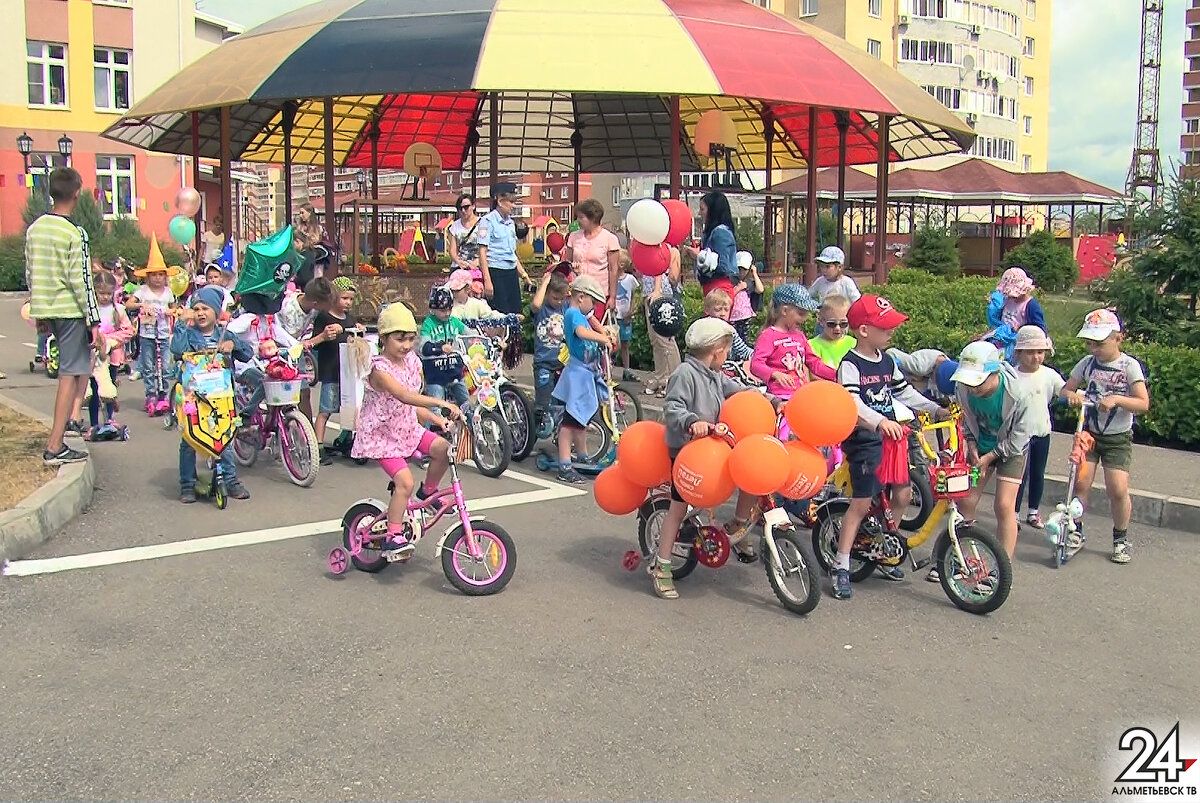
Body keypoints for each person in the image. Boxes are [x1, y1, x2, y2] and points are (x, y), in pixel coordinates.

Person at [651, 317, 778, 599]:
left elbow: (741, 392)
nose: (728, 354)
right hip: (688, 452)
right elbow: (672, 407)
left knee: (749, 471)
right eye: (727, 349)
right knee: (677, 508)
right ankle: (661, 566)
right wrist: (692, 421)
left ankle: (737, 524)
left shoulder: (715, 375)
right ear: (717, 350)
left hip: (714, 447)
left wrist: (767, 399)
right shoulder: (685, 373)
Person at [831, 294, 944, 600]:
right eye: (885, 326)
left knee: (904, 494)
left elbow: (904, 392)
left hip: (892, 438)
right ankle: (841, 564)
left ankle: (882, 545)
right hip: (866, 439)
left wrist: (935, 410)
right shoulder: (851, 365)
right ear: (864, 330)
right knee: (861, 504)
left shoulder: (888, 361)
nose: (891, 331)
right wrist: (879, 422)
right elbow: (852, 403)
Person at [350, 303, 461, 559]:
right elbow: (404, 396)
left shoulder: (411, 361)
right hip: (382, 436)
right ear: (384, 338)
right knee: (404, 482)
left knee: (444, 450)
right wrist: (441, 403)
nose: (406, 345)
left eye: (411, 338)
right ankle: (393, 535)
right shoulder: (379, 370)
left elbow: (414, 403)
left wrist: (436, 419)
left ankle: (429, 492)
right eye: (400, 339)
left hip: (406, 427)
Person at [1059, 309, 1150, 564]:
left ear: (1118, 339)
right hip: (1088, 435)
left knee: (1118, 489)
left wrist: (1118, 399)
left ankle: (1120, 538)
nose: (1094, 349)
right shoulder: (1087, 364)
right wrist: (1073, 396)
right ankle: (1075, 530)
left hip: (1117, 438)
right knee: (1081, 484)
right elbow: (1066, 390)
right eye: (1090, 343)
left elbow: (1143, 403)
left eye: (1099, 343)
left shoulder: (1128, 366)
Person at [24, 168, 101, 463]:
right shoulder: (74, 233)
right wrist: (93, 320)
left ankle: (56, 440)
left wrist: (38, 308)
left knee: (66, 371)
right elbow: (80, 280)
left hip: (47, 307)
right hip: (70, 310)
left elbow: (32, 271)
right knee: (70, 374)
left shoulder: (35, 229)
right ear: (77, 194)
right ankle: (55, 444)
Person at [949, 341, 1036, 562]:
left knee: (1004, 505)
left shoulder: (1018, 394)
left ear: (994, 372)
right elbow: (966, 420)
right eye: (968, 382)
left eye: (977, 382)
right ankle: (966, 558)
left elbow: (1018, 439)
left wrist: (990, 457)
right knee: (966, 500)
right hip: (980, 444)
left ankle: (1002, 564)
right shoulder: (963, 389)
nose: (972, 388)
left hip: (1010, 449)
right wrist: (971, 445)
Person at [170, 286, 253, 504]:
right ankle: (187, 483)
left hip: (222, 395)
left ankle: (230, 479)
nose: (200, 313)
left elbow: (247, 353)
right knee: (190, 439)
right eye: (196, 308)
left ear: (216, 311)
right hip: (194, 397)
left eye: (205, 308)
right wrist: (180, 323)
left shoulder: (224, 333)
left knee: (223, 437)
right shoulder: (188, 334)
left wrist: (233, 345)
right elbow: (177, 350)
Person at [551, 276, 617, 484]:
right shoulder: (572, 314)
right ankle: (564, 464)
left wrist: (605, 333)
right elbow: (581, 332)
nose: (594, 307)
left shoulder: (581, 314)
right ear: (581, 298)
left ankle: (582, 456)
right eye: (593, 302)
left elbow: (592, 326)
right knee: (569, 424)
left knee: (581, 420)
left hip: (586, 374)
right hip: (577, 375)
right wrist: (602, 338)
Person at [1009, 326, 1065, 529]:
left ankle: (1033, 511)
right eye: (1030, 352)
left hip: (1042, 431)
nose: (1036, 357)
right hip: (1018, 435)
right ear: (1019, 353)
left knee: (1037, 473)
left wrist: (1076, 396)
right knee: (1018, 476)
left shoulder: (1049, 375)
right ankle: (1012, 513)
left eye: (1040, 352)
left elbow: (1064, 391)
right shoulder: (1012, 376)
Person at [750, 283, 834, 399]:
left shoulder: (800, 336)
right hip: (779, 396)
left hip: (801, 395)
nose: (805, 319)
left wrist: (836, 374)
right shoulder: (769, 335)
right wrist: (774, 374)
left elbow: (814, 362)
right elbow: (756, 364)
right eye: (801, 313)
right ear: (784, 311)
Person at [126, 235, 179, 417]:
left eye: (160, 274)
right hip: (147, 334)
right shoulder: (142, 291)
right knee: (148, 366)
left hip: (163, 334)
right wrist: (142, 306)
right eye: (154, 275)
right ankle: (150, 394)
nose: (157, 278)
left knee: (164, 367)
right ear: (148, 276)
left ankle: (163, 394)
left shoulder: (168, 292)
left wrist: (171, 312)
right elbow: (129, 304)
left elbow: (174, 309)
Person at [312, 277, 357, 464]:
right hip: (331, 370)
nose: (347, 303)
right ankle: (318, 445)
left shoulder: (350, 319)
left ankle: (345, 439)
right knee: (325, 410)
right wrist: (326, 335)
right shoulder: (324, 317)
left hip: (348, 372)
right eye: (344, 298)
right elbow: (315, 342)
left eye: (351, 299)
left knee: (349, 408)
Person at [84, 271, 134, 439]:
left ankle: (110, 419)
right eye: (101, 293)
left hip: (111, 357)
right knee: (93, 389)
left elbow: (128, 331)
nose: (105, 297)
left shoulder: (118, 310)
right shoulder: (90, 311)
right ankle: (93, 423)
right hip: (93, 359)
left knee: (109, 388)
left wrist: (110, 341)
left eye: (108, 293)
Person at [280, 277, 335, 419]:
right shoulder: (289, 310)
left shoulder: (312, 308)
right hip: (281, 351)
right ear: (316, 303)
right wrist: (321, 337)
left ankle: (307, 433)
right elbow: (293, 345)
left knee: (305, 392)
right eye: (325, 306)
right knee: (286, 395)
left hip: (296, 352)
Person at [477, 184, 532, 315]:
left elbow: (511, 253)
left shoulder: (511, 224)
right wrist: (487, 280)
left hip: (511, 272)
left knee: (516, 313)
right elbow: (482, 253)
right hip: (496, 271)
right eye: (511, 202)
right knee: (500, 315)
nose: (513, 206)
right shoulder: (487, 221)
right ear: (500, 201)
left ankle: (514, 336)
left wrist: (524, 276)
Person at [419, 284, 469, 420]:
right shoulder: (428, 324)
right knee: (435, 409)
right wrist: (439, 347)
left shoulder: (455, 322)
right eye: (442, 310)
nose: (446, 313)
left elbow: (470, 336)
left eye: (449, 309)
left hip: (455, 372)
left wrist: (484, 341)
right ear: (433, 309)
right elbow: (423, 347)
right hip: (436, 375)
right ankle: (432, 434)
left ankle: (470, 431)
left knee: (467, 404)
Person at [564, 199, 621, 320]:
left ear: (593, 219)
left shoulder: (609, 238)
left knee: (595, 331)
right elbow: (566, 264)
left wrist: (612, 297)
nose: (578, 220)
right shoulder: (574, 236)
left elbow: (613, 270)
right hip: (576, 292)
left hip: (598, 293)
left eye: (581, 217)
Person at [642, 244, 682, 399]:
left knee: (665, 339)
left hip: (661, 295)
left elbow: (660, 269)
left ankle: (674, 379)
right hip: (649, 293)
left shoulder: (663, 247)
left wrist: (657, 290)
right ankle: (661, 377)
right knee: (655, 340)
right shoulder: (646, 245)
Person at [683, 191, 739, 302]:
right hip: (714, 287)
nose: (700, 213)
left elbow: (723, 266)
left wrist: (699, 256)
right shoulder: (713, 233)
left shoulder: (721, 233)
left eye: (702, 209)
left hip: (720, 288)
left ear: (713, 211)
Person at [531, 270, 569, 428]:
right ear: (547, 294)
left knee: (563, 402)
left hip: (562, 362)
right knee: (543, 400)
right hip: (544, 362)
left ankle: (561, 432)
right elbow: (535, 305)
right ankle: (532, 428)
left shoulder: (565, 307)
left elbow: (579, 300)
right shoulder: (542, 310)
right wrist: (545, 282)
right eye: (555, 298)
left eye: (562, 298)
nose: (559, 302)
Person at [810, 293, 856, 370]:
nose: (837, 328)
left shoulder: (854, 344)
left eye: (843, 324)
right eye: (831, 324)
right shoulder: (812, 346)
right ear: (821, 320)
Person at [703, 290, 752, 363]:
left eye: (726, 310)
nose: (723, 313)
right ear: (707, 310)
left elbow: (743, 350)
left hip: (728, 367)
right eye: (718, 310)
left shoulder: (730, 330)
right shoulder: (703, 328)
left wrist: (758, 356)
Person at [615, 254, 640, 381]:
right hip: (615, 315)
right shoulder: (611, 278)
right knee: (614, 343)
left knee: (625, 343)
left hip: (625, 316)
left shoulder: (630, 279)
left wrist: (631, 311)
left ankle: (627, 369)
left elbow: (634, 296)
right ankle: (607, 365)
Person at [729, 251, 763, 342]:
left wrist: (755, 274)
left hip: (745, 316)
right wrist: (738, 288)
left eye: (744, 269)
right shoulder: (731, 281)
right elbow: (727, 296)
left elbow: (760, 289)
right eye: (739, 269)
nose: (741, 272)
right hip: (732, 317)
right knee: (733, 340)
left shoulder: (749, 282)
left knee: (744, 340)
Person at [293, 202, 330, 286]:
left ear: (309, 213)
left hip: (316, 258)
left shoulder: (318, 228)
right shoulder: (299, 228)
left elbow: (325, 242)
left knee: (316, 282)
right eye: (300, 213)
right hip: (302, 256)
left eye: (303, 213)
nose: (301, 215)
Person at [447, 193, 483, 277]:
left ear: (473, 206)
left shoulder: (483, 224)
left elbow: (487, 248)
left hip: (478, 265)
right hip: (459, 266)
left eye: (466, 207)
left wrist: (478, 261)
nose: (463, 211)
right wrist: (458, 261)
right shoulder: (454, 226)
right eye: (460, 208)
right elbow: (452, 250)